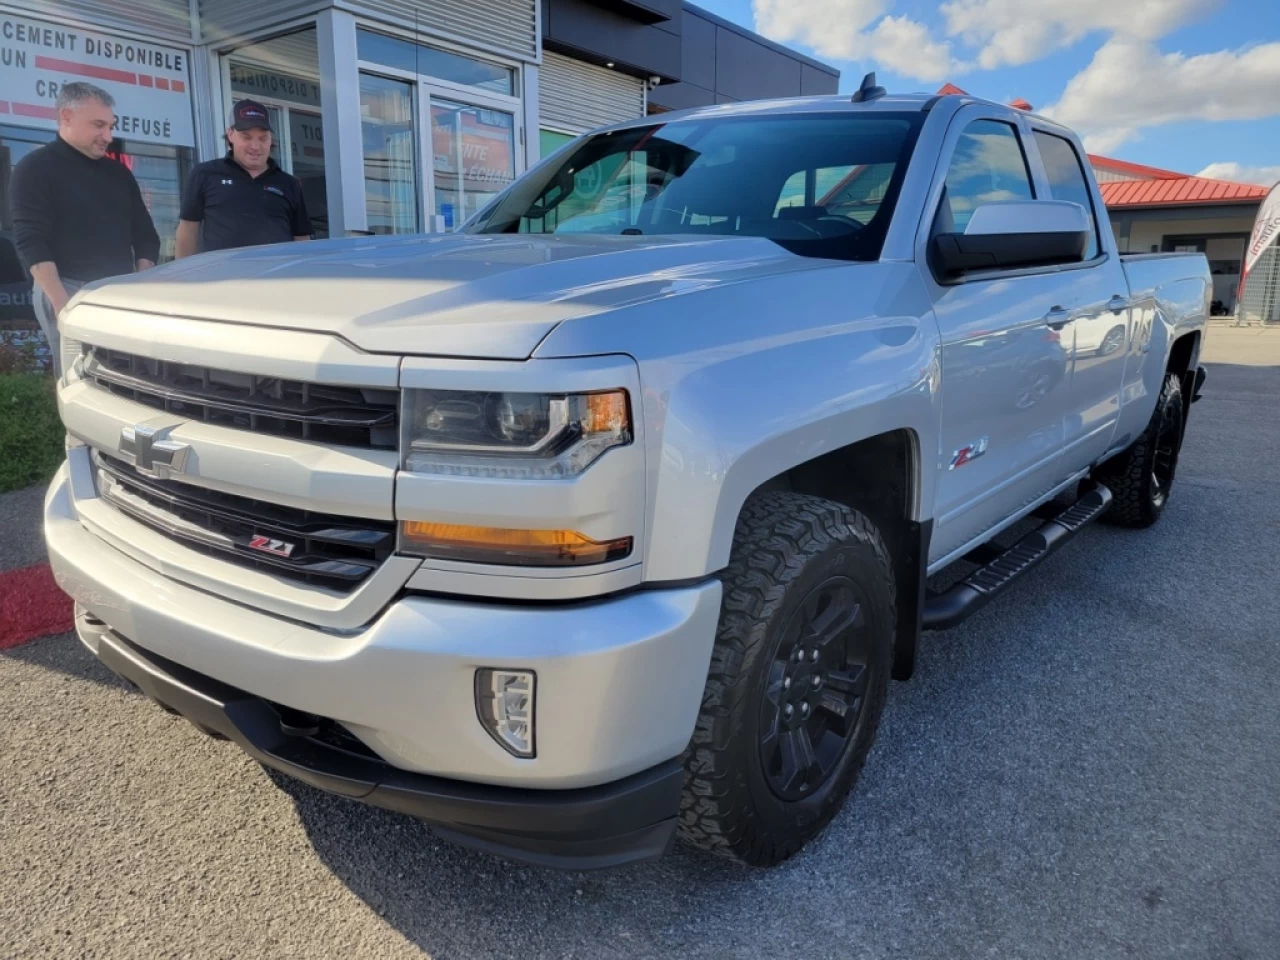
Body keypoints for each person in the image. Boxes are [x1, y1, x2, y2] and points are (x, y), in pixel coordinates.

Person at [8, 82, 160, 377]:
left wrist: (140, 285)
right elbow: (31, 240)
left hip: (120, 290)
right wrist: (60, 302)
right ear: (66, 116)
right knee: (79, 378)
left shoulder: (119, 173)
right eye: (99, 125)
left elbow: (145, 234)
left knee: (131, 374)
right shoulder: (34, 168)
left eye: (110, 126)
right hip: (67, 288)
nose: (108, 136)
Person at [176, 100, 312, 258]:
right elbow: (187, 231)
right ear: (230, 134)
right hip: (222, 279)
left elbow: (302, 239)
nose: (255, 146)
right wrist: (183, 279)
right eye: (247, 137)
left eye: (262, 138)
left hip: (276, 280)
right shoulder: (205, 174)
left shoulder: (289, 184)